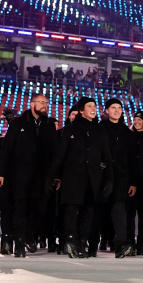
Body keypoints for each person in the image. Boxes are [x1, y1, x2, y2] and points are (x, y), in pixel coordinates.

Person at [0, 93, 57, 257]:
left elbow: (53, 153)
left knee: (38, 210)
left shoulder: (49, 125)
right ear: (32, 104)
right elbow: (6, 149)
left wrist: (55, 175)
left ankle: (29, 236)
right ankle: (20, 243)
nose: (44, 105)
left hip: (42, 177)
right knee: (20, 209)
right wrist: (0, 172)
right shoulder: (18, 123)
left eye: (46, 102)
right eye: (41, 102)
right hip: (19, 176)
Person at [50, 97, 113, 258]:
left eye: (94, 106)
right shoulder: (70, 129)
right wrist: (54, 176)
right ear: (81, 110)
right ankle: (70, 241)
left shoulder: (100, 131)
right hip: (73, 178)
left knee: (88, 212)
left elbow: (106, 157)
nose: (93, 109)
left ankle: (82, 242)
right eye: (89, 106)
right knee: (71, 210)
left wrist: (109, 179)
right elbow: (60, 155)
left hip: (93, 179)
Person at [99, 98, 136, 258]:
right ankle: (97, 241)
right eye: (113, 107)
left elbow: (132, 159)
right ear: (107, 110)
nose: (116, 110)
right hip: (101, 176)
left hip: (121, 178)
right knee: (100, 211)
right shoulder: (99, 129)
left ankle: (120, 243)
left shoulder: (127, 133)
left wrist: (133, 182)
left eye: (119, 108)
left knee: (119, 210)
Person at [127, 110, 143, 255]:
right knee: (129, 215)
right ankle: (130, 242)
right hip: (130, 181)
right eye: (135, 119)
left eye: (140, 119)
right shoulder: (128, 136)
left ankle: (142, 244)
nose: (137, 121)